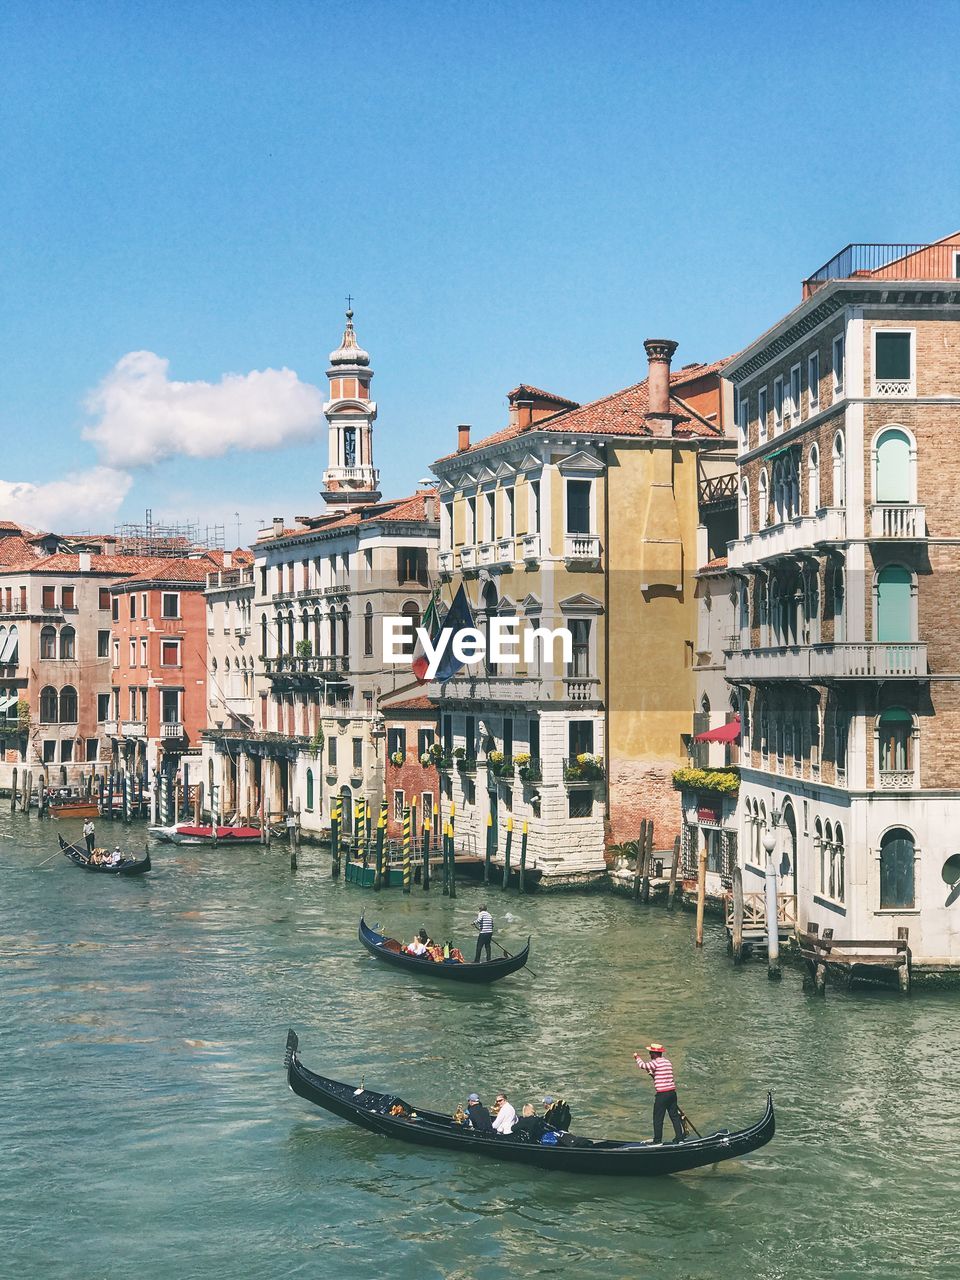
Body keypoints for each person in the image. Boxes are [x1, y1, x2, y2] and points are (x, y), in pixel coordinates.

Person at [634, 1042, 685, 1144]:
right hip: (672, 1093)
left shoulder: (655, 1063)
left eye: (650, 1053)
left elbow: (643, 1065)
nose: (649, 1054)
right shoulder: (668, 1062)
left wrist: (637, 1057)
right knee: (674, 1116)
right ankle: (680, 1138)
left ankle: (657, 1140)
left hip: (662, 1094)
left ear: (654, 1053)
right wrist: (654, 1074)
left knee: (658, 1118)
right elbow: (663, 1075)